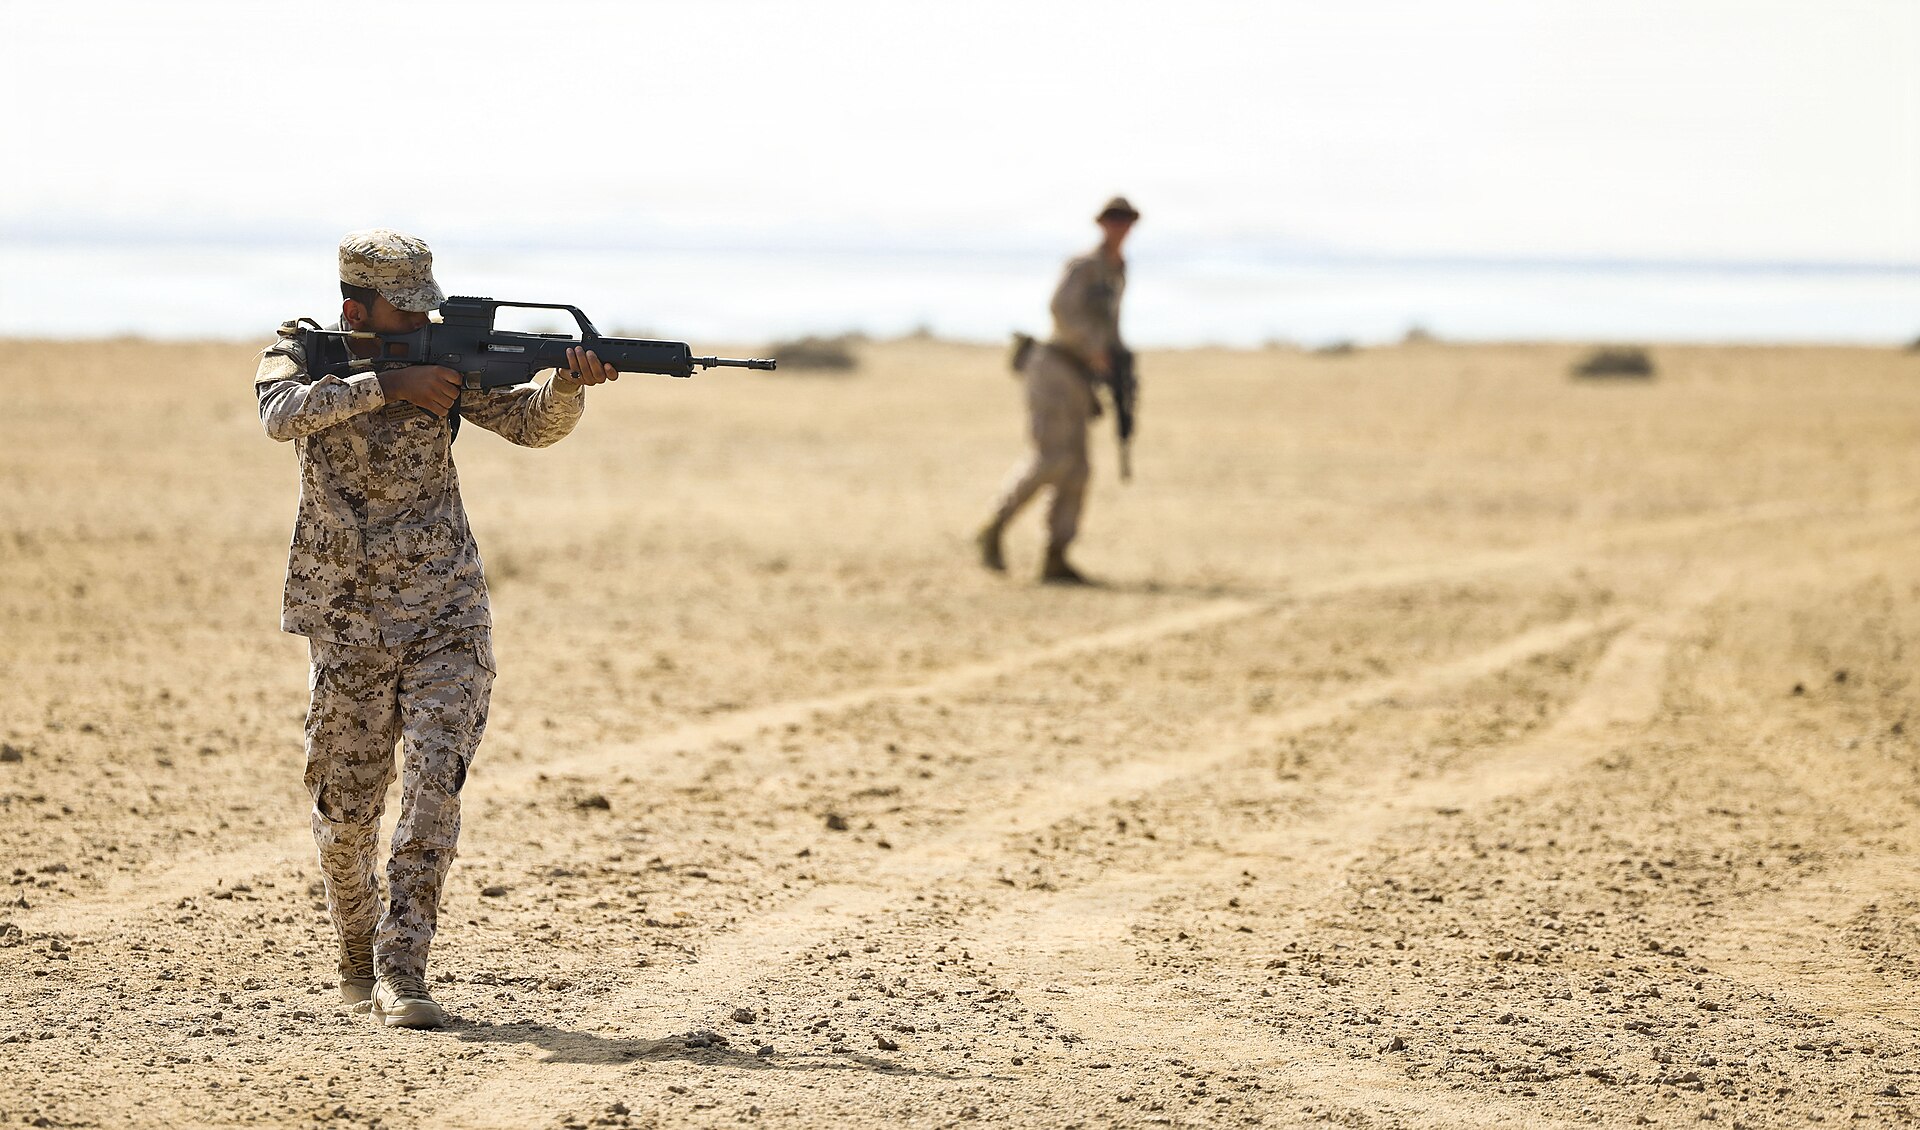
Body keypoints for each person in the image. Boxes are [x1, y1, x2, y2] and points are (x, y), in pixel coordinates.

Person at [253, 229, 618, 1028]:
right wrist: (391, 384)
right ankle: (355, 945)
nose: (419, 319)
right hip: (345, 623)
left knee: (432, 786)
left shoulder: (443, 361)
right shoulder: (302, 353)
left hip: (445, 613)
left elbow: (530, 426)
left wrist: (568, 388)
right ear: (356, 305)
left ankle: (402, 970)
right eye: (401, 308)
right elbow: (279, 417)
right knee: (345, 812)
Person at [977, 196, 1139, 584]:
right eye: (1113, 220)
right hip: (1054, 368)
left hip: (1082, 375)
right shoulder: (1083, 266)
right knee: (1051, 457)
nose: (1119, 227)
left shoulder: (1117, 269)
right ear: (1102, 224)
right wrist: (1091, 348)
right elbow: (1061, 310)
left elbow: (1111, 323)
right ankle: (994, 526)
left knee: (1078, 467)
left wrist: (1117, 364)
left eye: (1126, 220)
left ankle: (1056, 554)